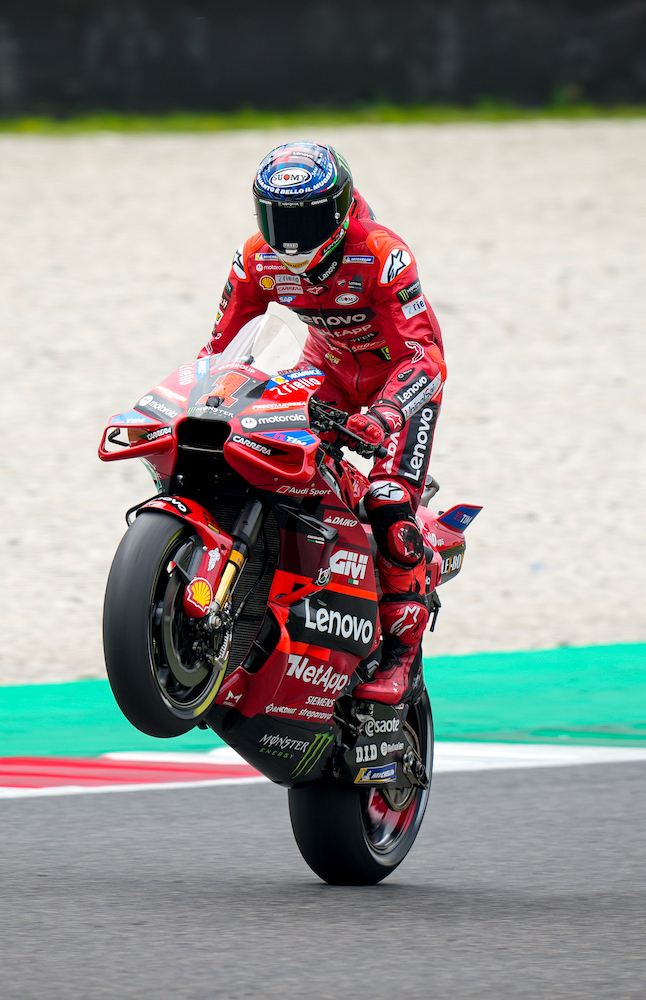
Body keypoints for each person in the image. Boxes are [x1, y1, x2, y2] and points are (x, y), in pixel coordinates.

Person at [201, 141, 446, 705]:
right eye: (278, 217)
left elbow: (425, 356)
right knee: (251, 442)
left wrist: (388, 413)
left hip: (396, 384)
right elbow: (221, 350)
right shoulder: (255, 259)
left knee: (387, 503)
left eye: (307, 217)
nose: (290, 235)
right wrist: (212, 396)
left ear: (337, 211)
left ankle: (403, 660)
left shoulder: (383, 255)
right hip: (325, 369)